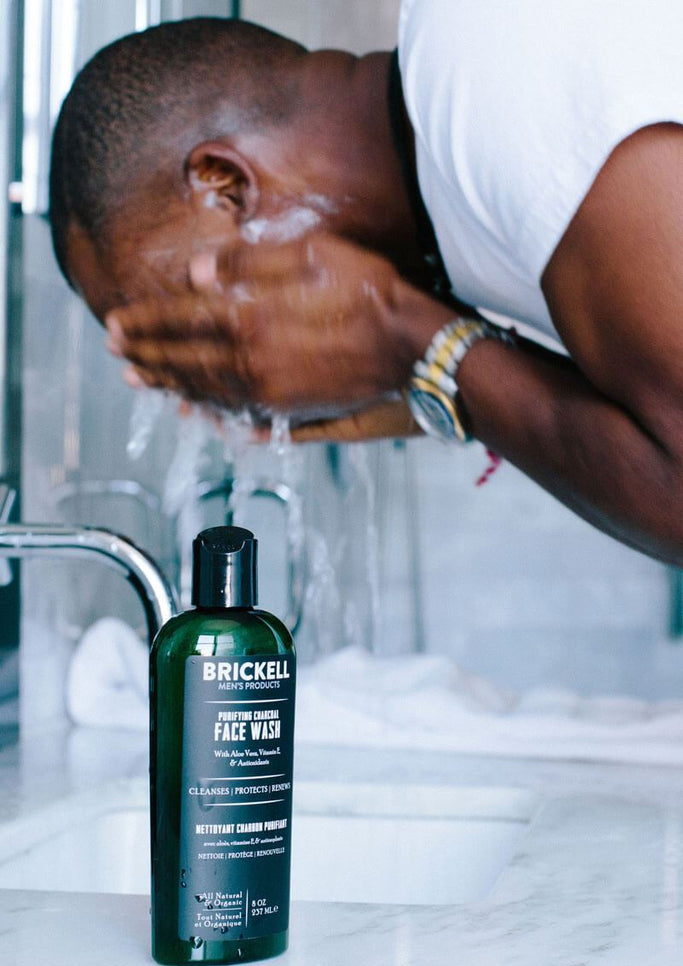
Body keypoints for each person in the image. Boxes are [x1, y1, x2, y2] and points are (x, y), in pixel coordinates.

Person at [49, 2, 683, 565]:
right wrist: (433, 390)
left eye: (197, 321)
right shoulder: (473, 135)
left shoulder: (489, 80)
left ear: (226, 185)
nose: (232, 368)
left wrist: (415, 347)